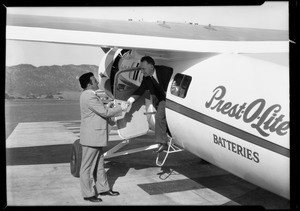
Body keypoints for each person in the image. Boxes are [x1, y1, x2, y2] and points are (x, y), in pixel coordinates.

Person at [78, 72, 127, 202]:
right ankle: (88, 194)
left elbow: (99, 110)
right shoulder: (89, 96)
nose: (97, 82)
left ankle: (103, 189)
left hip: (95, 137)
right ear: (89, 84)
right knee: (87, 167)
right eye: (94, 81)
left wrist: (108, 106)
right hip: (92, 137)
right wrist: (120, 108)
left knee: (99, 165)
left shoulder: (88, 95)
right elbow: (104, 112)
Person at [126, 56, 173, 153]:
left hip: (169, 98)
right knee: (160, 118)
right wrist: (130, 100)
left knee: (159, 117)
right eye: (141, 69)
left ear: (151, 66)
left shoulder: (165, 71)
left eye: (143, 69)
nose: (142, 71)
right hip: (160, 100)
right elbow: (141, 90)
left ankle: (163, 143)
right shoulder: (146, 78)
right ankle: (164, 140)